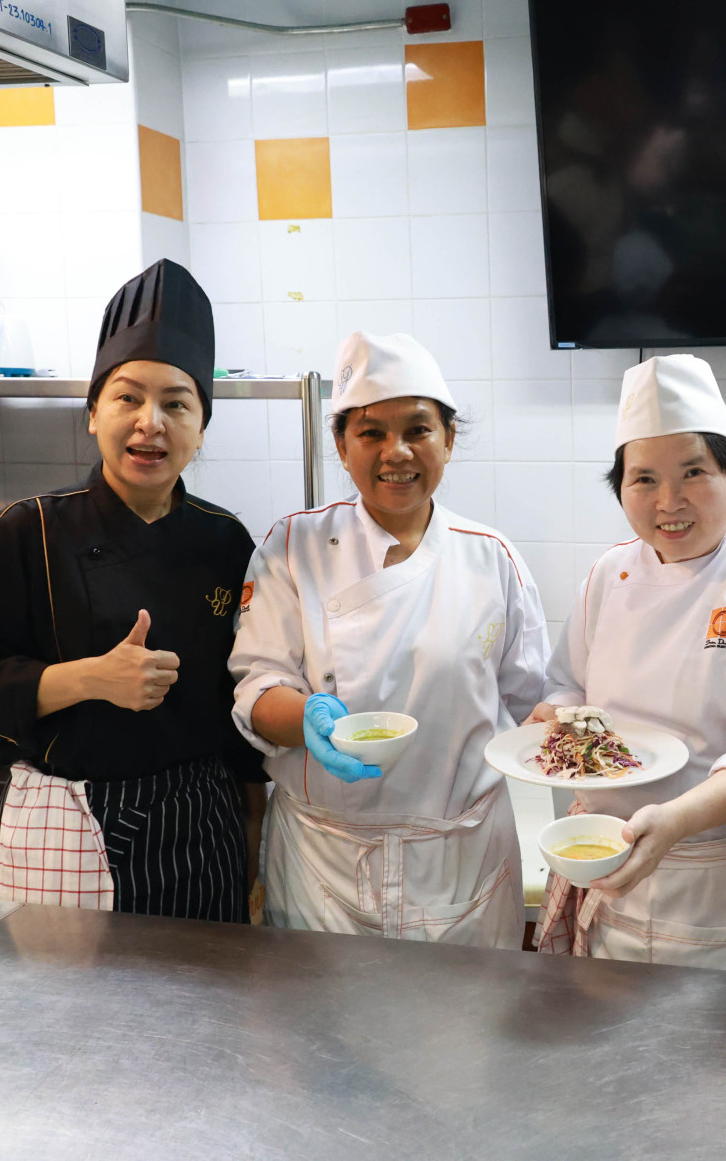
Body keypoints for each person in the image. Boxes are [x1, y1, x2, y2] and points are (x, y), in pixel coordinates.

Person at [527, 354, 726, 1161]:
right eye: (644, 479)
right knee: (633, 1098)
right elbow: (568, 686)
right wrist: (551, 722)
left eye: (693, 473)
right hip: (622, 881)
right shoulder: (609, 574)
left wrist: (672, 821)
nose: (668, 501)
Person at [0, 259, 263, 922]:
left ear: (201, 427)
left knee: (207, 987)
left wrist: (256, 833)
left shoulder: (226, 541)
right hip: (67, 816)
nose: (151, 422)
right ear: (93, 413)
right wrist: (91, 678)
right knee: (64, 994)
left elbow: (238, 698)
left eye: (176, 404)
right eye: (128, 398)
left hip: (201, 820)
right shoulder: (27, 529)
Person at [229, 331, 547, 947]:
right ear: (341, 446)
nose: (396, 452)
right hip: (324, 862)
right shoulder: (291, 547)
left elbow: (526, 700)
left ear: (448, 440)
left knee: (470, 1012)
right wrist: (307, 720)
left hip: (461, 859)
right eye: (371, 432)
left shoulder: (491, 558)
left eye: (418, 430)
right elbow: (257, 690)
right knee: (322, 1012)